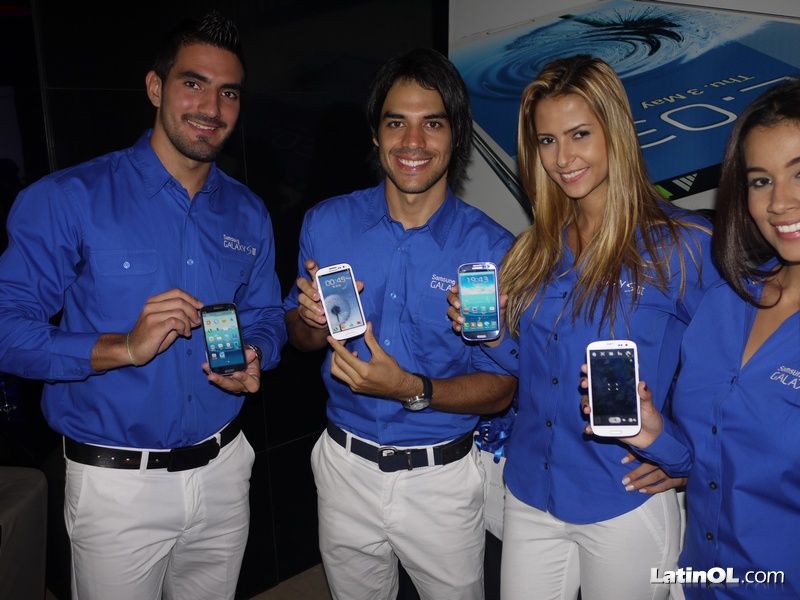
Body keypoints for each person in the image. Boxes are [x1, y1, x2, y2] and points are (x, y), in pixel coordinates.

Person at [0, 11, 286, 600]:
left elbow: (263, 315)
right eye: (193, 83)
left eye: (228, 92)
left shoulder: (248, 212)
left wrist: (255, 352)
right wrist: (123, 348)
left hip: (224, 471)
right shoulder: (68, 200)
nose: (211, 107)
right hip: (117, 488)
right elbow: (7, 331)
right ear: (156, 87)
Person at [449, 55, 718, 600]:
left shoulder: (684, 245)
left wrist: (684, 460)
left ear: (615, 132)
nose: (562, 158)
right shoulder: (534, 249)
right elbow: (535, 372)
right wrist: (494, 336)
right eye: (547, 141)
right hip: (531, 491)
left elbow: (729, 375)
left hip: (623, 497)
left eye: (579, 134)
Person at [283, 47, 516, 600]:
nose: (413, 142)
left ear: (456, 136)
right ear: (375, 134)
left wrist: (410, 388)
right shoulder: (326, 223)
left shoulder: (494, 250)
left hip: (442, 482)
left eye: (432, 124)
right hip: (343, 469)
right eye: (396, 123)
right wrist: (310, 319)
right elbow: (300, 337)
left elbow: (502, 389)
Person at [604, 78, 800, 599]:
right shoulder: (724, 301)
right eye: (761, 181)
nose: (780, 202)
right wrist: (656, 436)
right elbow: (706, 457)